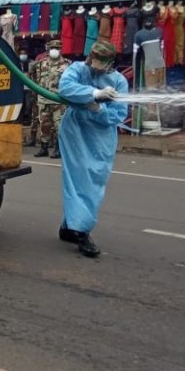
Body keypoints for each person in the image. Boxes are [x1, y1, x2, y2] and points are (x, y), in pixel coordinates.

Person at [56, 40, 127, 258]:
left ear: (110, 63)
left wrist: (98, 110)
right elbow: (65, 87)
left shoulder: (119, 81)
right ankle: (83, 232)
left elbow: (118, 114)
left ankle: (70, 226)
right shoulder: (78, 69)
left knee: (93, 181)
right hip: (75, 132)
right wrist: (94, 94)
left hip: (101, 138)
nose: (95, 67)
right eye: (93, 61)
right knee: (77, 178)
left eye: (101, 64)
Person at [31, 39, 71, 159]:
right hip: (43, 100)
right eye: (52, 48)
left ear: (60, 50)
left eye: (57, 48)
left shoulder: (67, 65)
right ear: (48, 50)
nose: (54, 50)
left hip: (59, 101)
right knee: (44, 126)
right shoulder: (40, 64)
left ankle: (58, 149)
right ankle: (44, 148)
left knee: (59, 126)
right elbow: (33, 78)